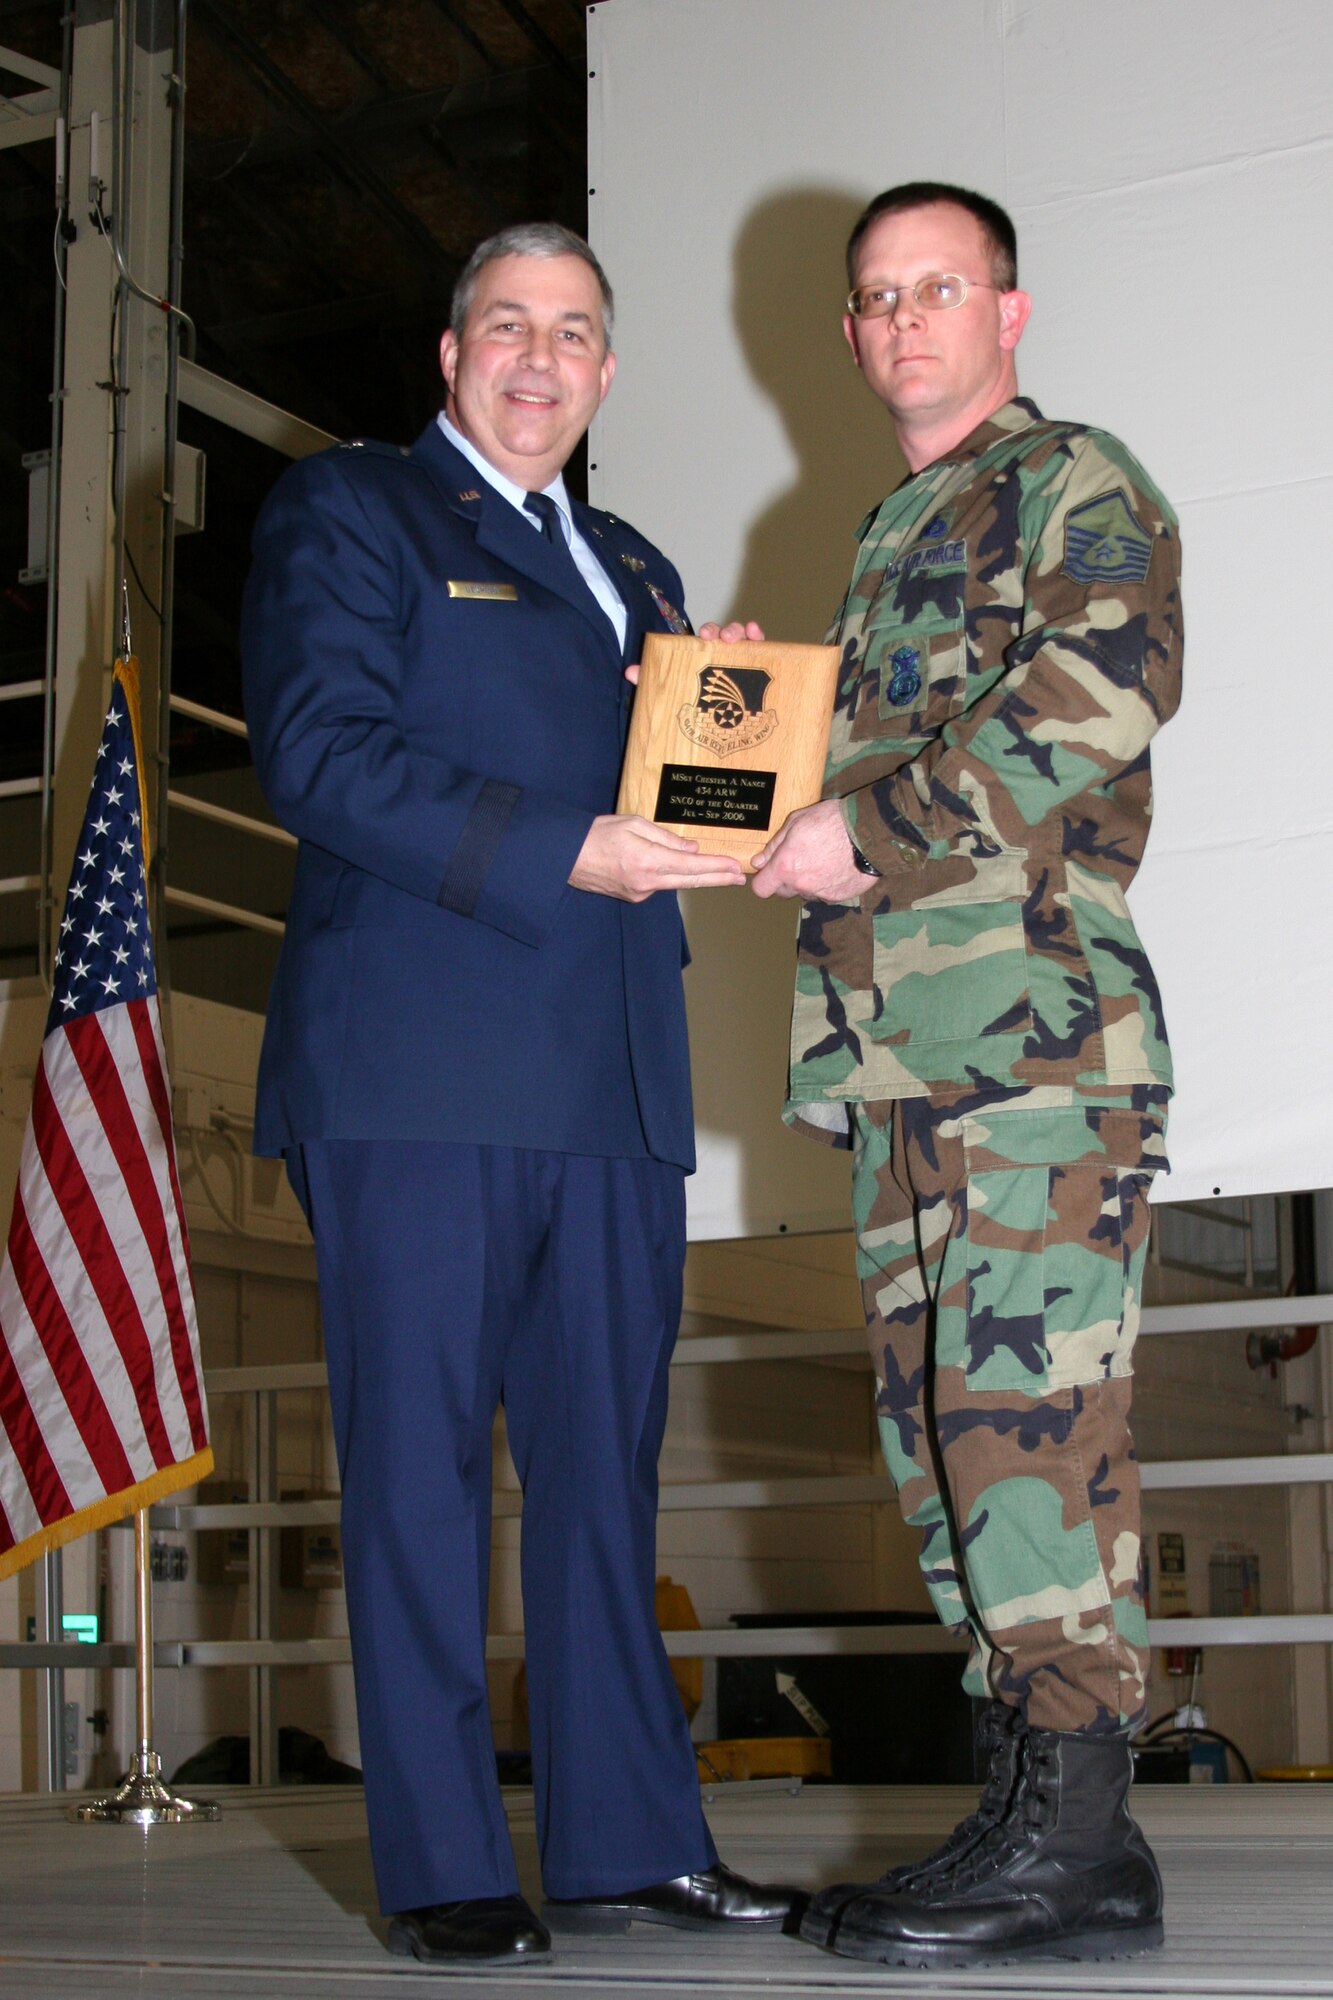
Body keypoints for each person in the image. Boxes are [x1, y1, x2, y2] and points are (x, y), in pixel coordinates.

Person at [241, 223, 798, 1967]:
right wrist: (576, 842)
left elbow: (675, 809)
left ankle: (627, 1843)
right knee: (416, 1474)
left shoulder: (634, 562)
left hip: (612, 1078)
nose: (539, 359)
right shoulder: (354, 512)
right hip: (416, 1064)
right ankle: (442, 1868)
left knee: (603, 1480)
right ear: (450, 353)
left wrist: (734, 742)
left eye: (573, 332)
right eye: (507, 327)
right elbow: (321, 756)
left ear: (610, 369)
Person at [750, 183, 1182, 1968]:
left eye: (938, 287)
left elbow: (1105, 682)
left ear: (1006, 310)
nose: (902, 318)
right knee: (951, 1450)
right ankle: (1041, 1825)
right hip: (903, 1061)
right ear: (853, 335)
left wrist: (872, 828)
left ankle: (1072, 1838)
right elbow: (824, 782)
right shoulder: (884, 525)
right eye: (874, 297)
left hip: (1031, 1047)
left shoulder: (1075, 477)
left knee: (1029, 1444)